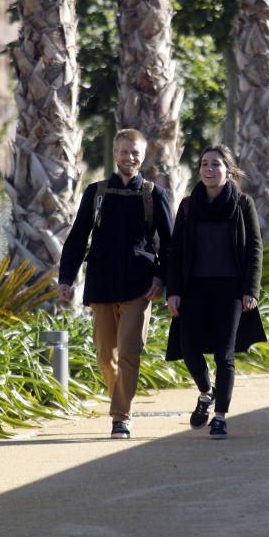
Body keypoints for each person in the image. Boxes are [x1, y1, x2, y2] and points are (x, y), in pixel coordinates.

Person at [58, 129, 173, 439]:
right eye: (124, 151)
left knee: (129, 353)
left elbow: (172, 244)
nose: (129, 157)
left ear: (143, 156)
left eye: (135, 152)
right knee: (105, 356)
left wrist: (163, 278)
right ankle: (120, 399)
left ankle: (121, 416)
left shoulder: (154, 195)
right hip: (102, 283)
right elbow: (78, 238)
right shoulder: (95, 193)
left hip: (140, 286)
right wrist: (66, 279)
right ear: (115, 154)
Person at [165, 144, 266, 440]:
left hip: (231, 289)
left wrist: (251, 289)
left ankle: (220, 416)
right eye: (205, 164)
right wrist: (173, 291)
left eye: (216, 164)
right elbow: (176, 251)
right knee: (189, 346)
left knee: (224, 354)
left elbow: (255, 249)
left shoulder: (243, 203)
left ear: (229, 171)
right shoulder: (187, 206)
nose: (209, 169)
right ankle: (206, 392)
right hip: (194, 287)